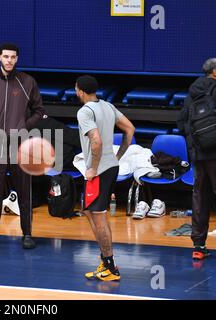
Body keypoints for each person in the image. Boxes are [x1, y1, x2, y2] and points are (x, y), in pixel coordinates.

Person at [0, 43, 45, 249]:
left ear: (17, 59)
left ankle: (27, 234)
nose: (9, 61)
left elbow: (39, 111)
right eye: (5, 57)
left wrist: (23, 127)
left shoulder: (27, 82)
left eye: (13, 57)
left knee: (24, 192)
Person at [75, 75, 134, 281]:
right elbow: (130, 129)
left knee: (97, 216)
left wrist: (92, 168)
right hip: (111, 167)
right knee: (91, 212)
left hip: (99, 171)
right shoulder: (108, 106)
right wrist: (118, 156)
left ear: (80, 91)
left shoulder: (84, 111)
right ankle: (106, 261)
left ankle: (110, 267)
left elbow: (96, 142)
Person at [177, 58, 216, 261]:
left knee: (200, 198)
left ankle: (199, 246)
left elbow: (181, 124)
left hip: (199, 156)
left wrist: (197, 145)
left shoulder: (191, 93)